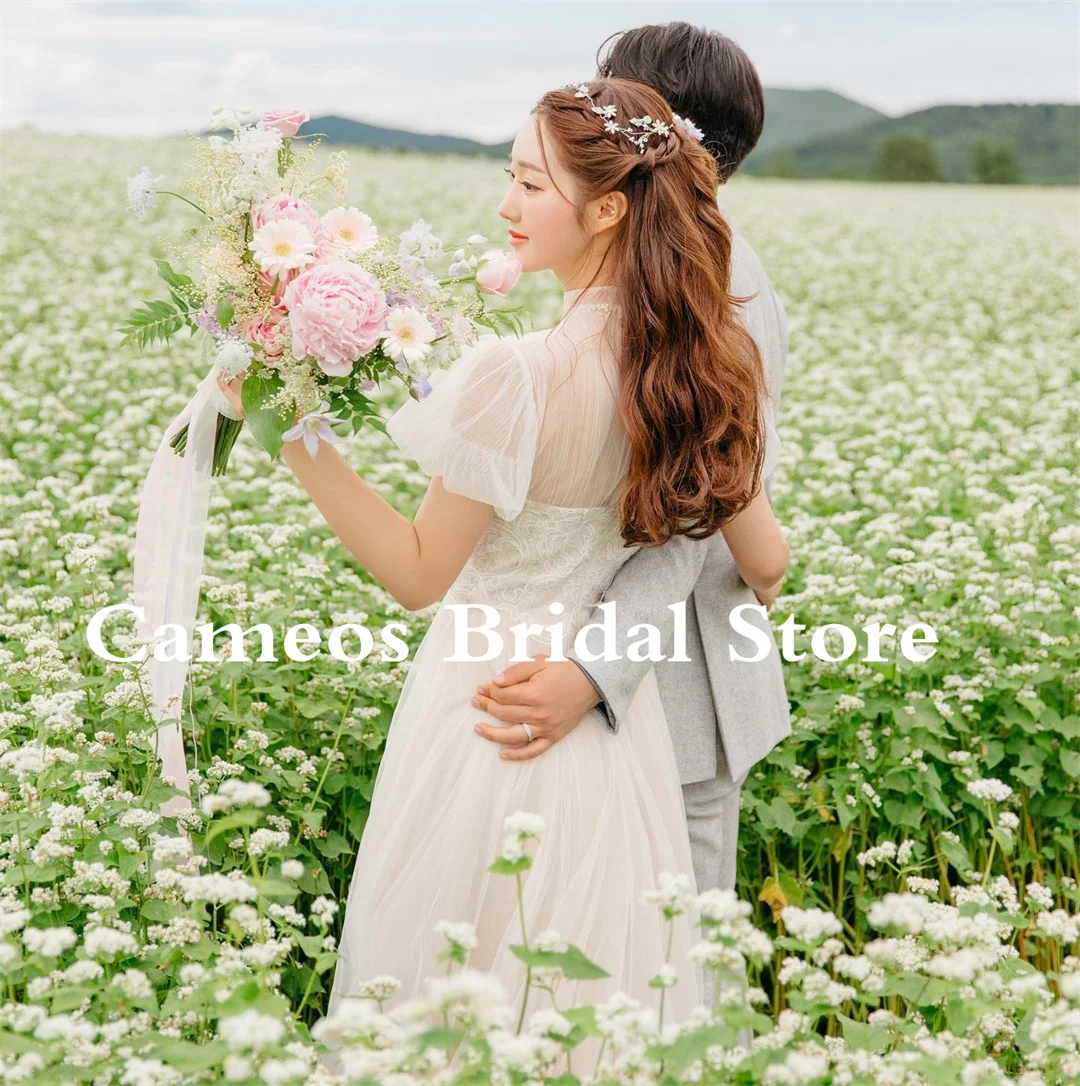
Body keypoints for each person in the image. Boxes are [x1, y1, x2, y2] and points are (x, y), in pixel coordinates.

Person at [218, 77, 787, 1051]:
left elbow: (415, 572)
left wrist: (288, 425)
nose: (504, 206)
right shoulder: (698, 363)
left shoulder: (518, 374)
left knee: (454, 989)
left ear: (606, 208)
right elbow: (764, 562)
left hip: (488, 702)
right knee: (591, 1004)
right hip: (617, 730)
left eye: (528, 185)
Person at [470, 22, 793, 1001]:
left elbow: (696, 523)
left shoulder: (718, 287)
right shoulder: (652, 268)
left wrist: (592, 670)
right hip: (617, 672)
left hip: (669, 686)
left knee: (677, 986)